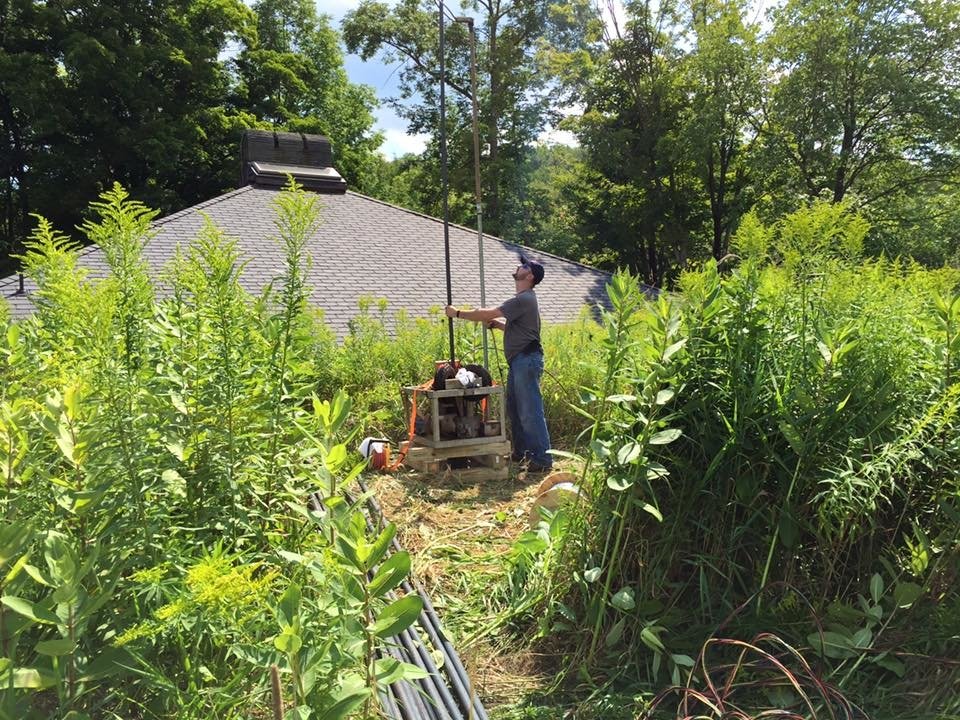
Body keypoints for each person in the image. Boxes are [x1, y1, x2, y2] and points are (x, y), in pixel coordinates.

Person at [444, 255, 553, 472]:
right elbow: (525, 331)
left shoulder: (524, 299)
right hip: (520, 361)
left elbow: (487, 312)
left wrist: (456, 313)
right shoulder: (525, 300)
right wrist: (501, 326)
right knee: (515, 409)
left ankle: (542, 459)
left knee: (529, 411)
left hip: (526, 361)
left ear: (529, 276)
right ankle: (522, 453)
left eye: (524, 265)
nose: (518, 267)